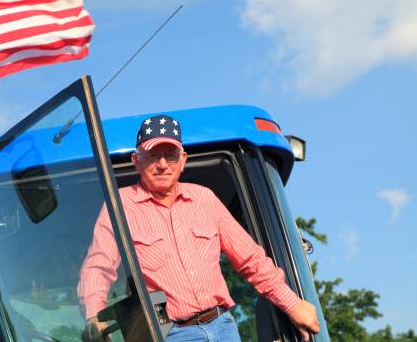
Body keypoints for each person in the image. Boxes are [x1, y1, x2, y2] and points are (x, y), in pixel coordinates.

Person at [78, 114, 321, 341]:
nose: (163, 164)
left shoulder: (205, 199)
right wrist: (94, 315)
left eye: (170, 155)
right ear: (136, 160)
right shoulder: (120, 206)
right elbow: (98, 267)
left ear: (182, 160)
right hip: (171, 333)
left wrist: (292, 303)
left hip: (223, 326)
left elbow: (251, 259)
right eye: (153, 155)